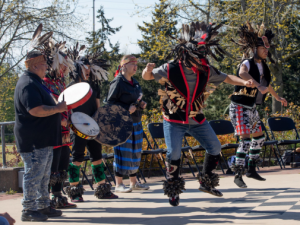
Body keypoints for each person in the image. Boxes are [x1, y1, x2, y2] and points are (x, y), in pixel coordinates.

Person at [142, 21, 254, 206]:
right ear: (187, 53)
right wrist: (147, 70)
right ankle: (173, 189)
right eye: (198, 55)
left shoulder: (206, 70)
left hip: (196, 118)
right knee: (174, 153)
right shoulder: (170, 68)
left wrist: (244, 83)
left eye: (203, 55)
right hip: (174, 119)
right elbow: (148, 77)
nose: (201, 58)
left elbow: (226, 77)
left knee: (215, 147)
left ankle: (207, 182)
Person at [229, 22, 287, 188]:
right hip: (239, 106)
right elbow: (242, 73)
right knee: (246, 140)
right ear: (255, 49)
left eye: (267, 49)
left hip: (251, 107)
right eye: (263, 48)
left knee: (260, 138)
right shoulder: (247, 62)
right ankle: (237, 174)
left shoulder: (264, 66)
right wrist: (255, 84)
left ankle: (251, 168)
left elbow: (267, 85)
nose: (266, 51)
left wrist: (278, 97)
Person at [14, 50, 66, 221]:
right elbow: (35, 110)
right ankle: (28, 209)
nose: (47, 67)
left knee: (44, 174)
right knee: (34, 174)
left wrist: (57, 112)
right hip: (34, 139)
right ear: (35, 65)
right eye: (44, 64)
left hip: (43, 138)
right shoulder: (28, 83)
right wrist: (58, 109)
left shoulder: (37, 82)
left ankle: (43, 206)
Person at [65, 45, 118, 202]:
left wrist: (99, 122)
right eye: (85, 68)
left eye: (89, 68)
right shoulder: (70, 87)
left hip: (92, 126)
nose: (88, 71)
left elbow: (97, 107)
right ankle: (74, 191)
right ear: (78, 69)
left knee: (97, 156)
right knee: (77, 158)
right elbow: (66, 109)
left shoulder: (93, 86)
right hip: (77, 127)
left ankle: (102, 189)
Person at [107, 55, 149, 193]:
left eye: (136, 64)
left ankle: (133, 183)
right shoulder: (117, 82)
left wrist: (141, 104)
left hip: (135, 122)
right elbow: (109, 104)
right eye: (132, 64)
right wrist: (126, 110)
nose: (135, 66)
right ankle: (118, 184)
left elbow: (137, 98)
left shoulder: (135, 82)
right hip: (121, 123)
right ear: (124, 66)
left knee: (135, 152)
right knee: (121, 153)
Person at [43, 40, 77, 208]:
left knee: (63, 162)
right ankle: (49, 198)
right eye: (62, 65)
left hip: (65, 130)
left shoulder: (61, 82)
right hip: (52, 130)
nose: (65, 68)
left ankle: (59, 196)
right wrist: (59, 118)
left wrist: (69, 117)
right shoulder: (44, 82)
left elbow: (67, 103)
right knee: (53, 164)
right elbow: (47, 107)